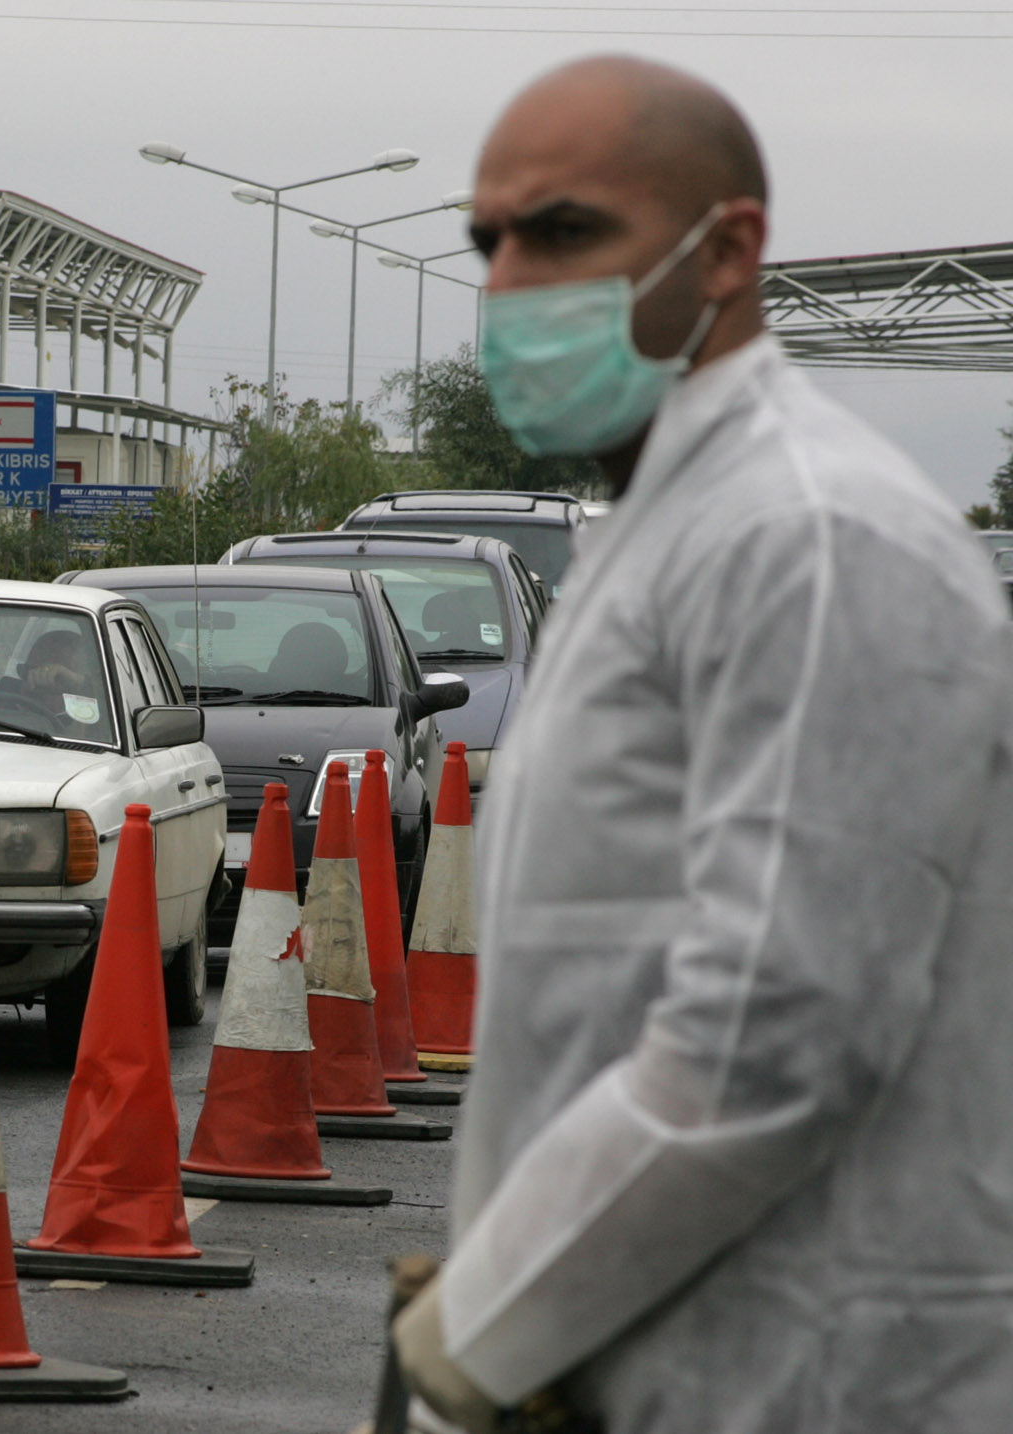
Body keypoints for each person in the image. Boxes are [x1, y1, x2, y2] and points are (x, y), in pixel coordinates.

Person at [390, 56, 1013, 1434]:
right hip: (642, 1357)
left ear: (728, 249)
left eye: (564, 232)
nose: (511, 285)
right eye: (486, 241)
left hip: (802, 1368)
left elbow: (773, 1035)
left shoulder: (814, 537)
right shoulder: (669, 526)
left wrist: (472, 1339)